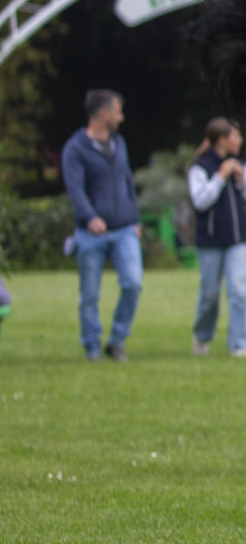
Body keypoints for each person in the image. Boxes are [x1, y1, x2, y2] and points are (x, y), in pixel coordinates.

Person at [61, 89, 141, 361]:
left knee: (132, 283)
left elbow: (127, 182)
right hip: (90, 233)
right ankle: (92, 346)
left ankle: (117, 340)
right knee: (90, 295)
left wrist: (135, 219)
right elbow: (75, 189)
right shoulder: (75, 148)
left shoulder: (119, 143)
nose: (122, 116)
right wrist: (90, 217)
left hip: (123, 231)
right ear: (105, 114)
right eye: (118, 111)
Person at [188, 117, 246, 357]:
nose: (239, 141)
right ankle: (201, 336)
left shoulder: (241, 164)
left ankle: (239, 344)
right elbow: (200, 201)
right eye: (236, 136)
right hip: (210, 241)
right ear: (223, 140)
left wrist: (241, 181)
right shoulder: (200, 167)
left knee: (238, 291)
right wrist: (220, 177)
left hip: (238, 239)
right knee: (210, 294)